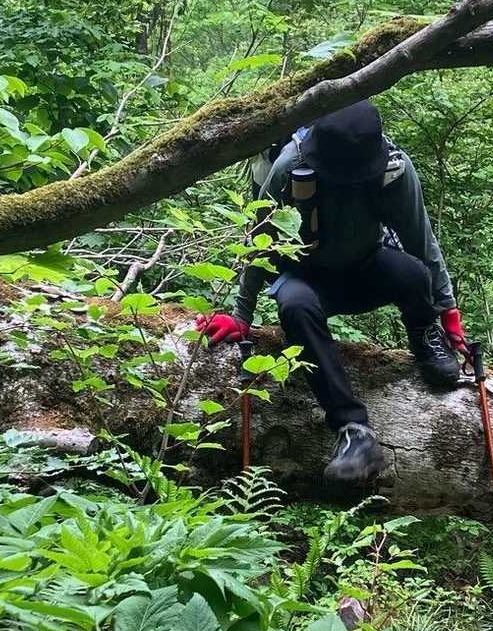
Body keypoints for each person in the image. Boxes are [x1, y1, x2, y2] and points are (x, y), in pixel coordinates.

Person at [196, 100, 468, 485]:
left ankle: (425, 337)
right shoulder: (289, 166)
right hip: (304, 277)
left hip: (366, 265)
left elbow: (421, 240)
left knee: (412, 273)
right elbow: (260, 242)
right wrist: (242, 315)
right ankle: (353, 431)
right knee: (295, 306)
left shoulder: (394, 169)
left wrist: (448, 310)